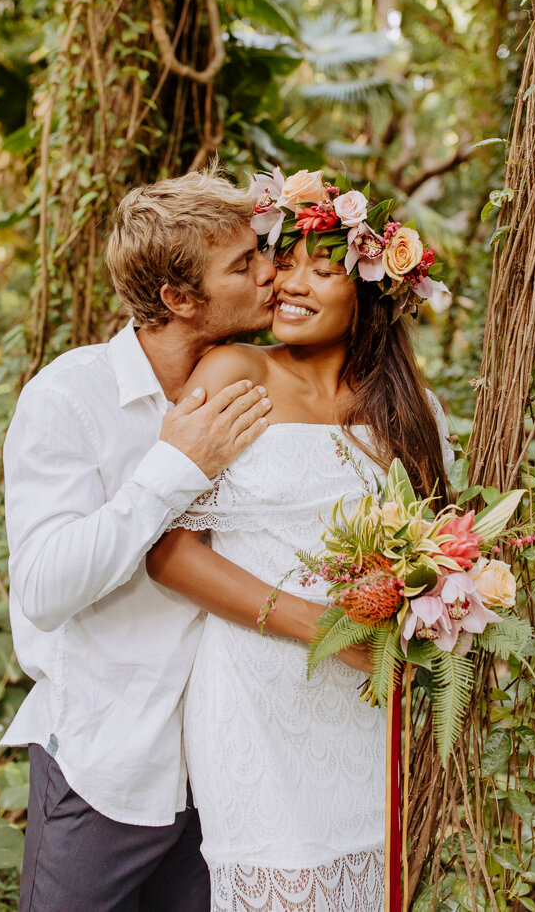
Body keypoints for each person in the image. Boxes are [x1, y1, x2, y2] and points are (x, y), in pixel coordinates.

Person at [3, 163, 371, 912]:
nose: (274, 274)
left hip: (230, 762)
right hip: (109, 761)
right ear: (178, 298)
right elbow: (42, 590)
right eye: (246, 263)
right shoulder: (69, 399)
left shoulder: (252, 385)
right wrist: (172, 468)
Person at [146, 168, 455, 912]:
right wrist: (317, 625)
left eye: (324, 270)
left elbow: (438, 548)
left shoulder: (410, 409)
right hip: (254, 692)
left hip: (364, 699)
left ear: (371, 292)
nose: (289, 283)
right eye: (282, 262)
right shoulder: (232, 370)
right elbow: (167, 550)